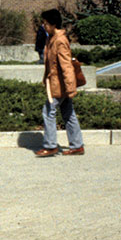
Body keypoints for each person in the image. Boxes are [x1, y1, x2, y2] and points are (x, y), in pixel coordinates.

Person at [35, 8, 84, 157]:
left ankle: (50, 146)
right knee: (68, 113)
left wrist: (71, 88)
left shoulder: (60, 41)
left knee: (48, 111)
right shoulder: (51, 38)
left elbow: (66, 66)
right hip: (55, 83)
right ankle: (77, 146)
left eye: (45, 23)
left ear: (53, 24)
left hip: (60, 85)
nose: (43, 26)